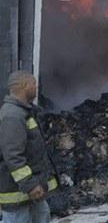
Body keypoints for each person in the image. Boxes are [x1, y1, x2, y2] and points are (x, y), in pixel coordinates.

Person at [0, 71, 58, 223]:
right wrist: (30, 185)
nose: (36, 87)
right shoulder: (12, 116)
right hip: (18, 194)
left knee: (43, 215)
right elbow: (13, 156)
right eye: (33, 84)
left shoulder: (24, 112)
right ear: (24, 86)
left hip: (33, 192)